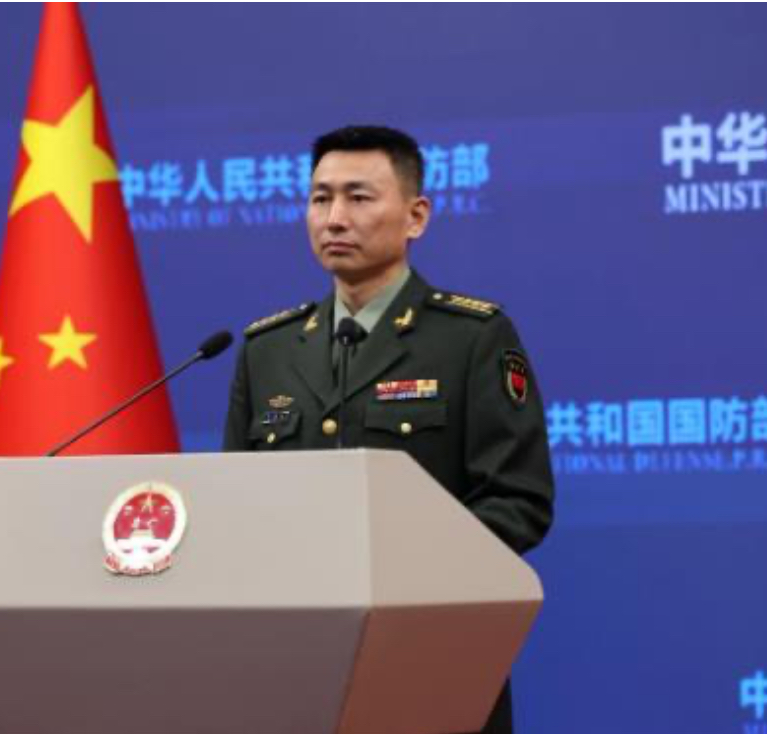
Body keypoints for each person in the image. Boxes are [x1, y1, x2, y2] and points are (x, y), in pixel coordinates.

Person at [223, 125, 554, 734]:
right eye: (320, 198)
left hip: (430, 655)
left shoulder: (472, 338)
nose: (334, 218)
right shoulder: (267, 349)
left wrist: (397, 575)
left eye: (358, 197)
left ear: (416, 216)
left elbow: (518, 501)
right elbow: (237, 508)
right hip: (294, 665)